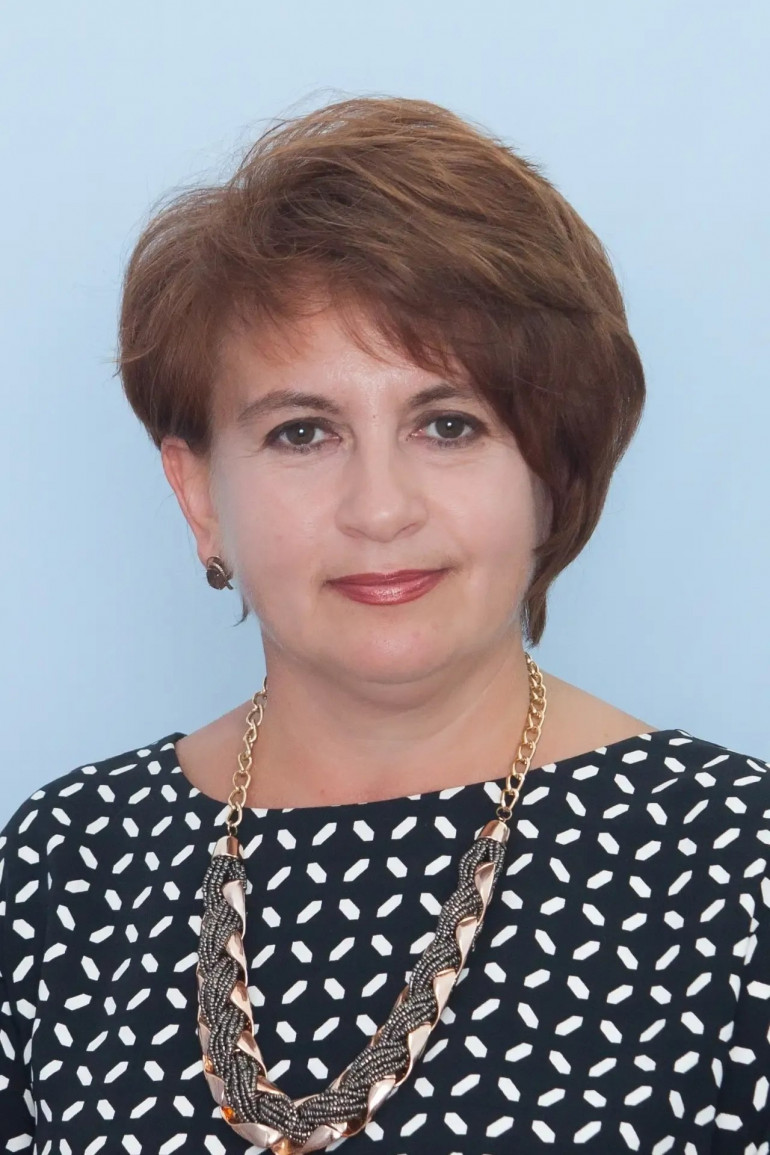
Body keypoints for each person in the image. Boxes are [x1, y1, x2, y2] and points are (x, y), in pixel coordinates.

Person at [1, 95, 767, 1154]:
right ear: (199, 495)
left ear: (550, 472)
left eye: (448, 425)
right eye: (302, 432)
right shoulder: (64, 867)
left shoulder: (734, 864)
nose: (380, 509)